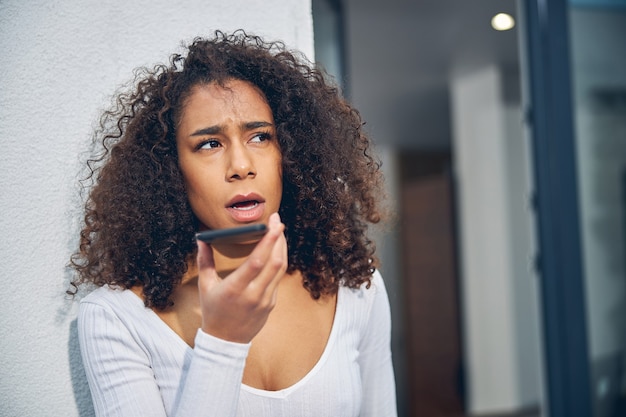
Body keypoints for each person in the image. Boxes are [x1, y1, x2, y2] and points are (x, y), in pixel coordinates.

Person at [70, 30, 397, 417]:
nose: (241, 166)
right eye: (210, 144)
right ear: (171, 170)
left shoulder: (355, 287)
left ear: (290, 152)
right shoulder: (116, 318)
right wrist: (223, 341)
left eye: (260, 137)